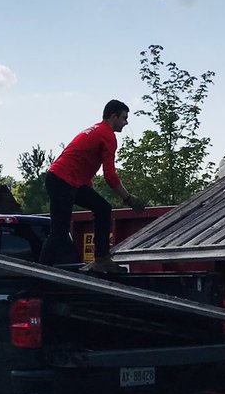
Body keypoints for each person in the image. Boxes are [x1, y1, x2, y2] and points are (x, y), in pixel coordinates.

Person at [38, 99, 147, 273]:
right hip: (62, 180)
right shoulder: (107, 135)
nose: (126, 123)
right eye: (124, 118)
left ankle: (102, 258)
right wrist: (128, 198)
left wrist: (90, 190)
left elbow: (81, 163)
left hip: (67, 180)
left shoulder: (96, 129)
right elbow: (110, 176)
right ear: (113, 116)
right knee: (60, 231)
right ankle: (40, 272)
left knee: (103, 208)